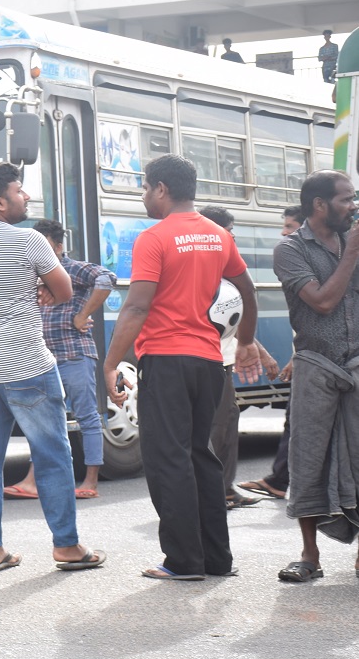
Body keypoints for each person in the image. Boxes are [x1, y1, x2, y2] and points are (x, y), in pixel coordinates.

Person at [103, 154, 262, 582]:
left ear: (160, 189)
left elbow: (136, 305)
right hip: (209, 361)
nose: (142, 197)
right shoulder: (217, 235)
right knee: (201, 457)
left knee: (167, 460)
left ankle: (183, 562)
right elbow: (246, 290)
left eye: (143, 189)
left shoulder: (153, 237)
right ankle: (217, 560)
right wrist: (244, 341)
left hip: (166, 360)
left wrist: (111, 361)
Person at [0, 163, 103, 574]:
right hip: (25, 363)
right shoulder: (29, 241)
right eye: (20, 191)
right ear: (0, 202)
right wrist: (37, 288)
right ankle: (67, 547)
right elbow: (65, 289)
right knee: (52, 454)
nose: (26, 197)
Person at [271, 170, 359, 583]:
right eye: (345, 200)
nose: (353, 206)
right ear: (319, 205)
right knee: (309, 460)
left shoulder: (349, 241)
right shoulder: (290, 250)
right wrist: (351, 255)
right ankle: (310, 556)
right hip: (316, 365)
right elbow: (322, 303)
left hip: (356, 364)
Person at [2, 219, 115, 501]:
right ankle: (34, 481)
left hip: (74, 353)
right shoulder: (31, 273)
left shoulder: (72, 268)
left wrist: (81, 314)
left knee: (87, 416)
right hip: (42, 359)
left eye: (44, 245)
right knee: (44, 421)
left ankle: (90, 481)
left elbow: (106, 279)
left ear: (59, 246)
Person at [198, 206, 279, 510]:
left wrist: (256, 348)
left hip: (224, 358)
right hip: (209, 360)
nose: (233, 235)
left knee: (228, 422)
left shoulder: (224, 265)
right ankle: (213, 494)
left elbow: (230, 320)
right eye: (229, 229)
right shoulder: (206, 267)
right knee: (215, 427)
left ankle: (225, 490)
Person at [238, 207, 304, 501]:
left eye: (290, 226)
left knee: (299, 420)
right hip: (310, 357)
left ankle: (283, 480)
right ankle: (280, 479)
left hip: (322, 361)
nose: (283, 232)